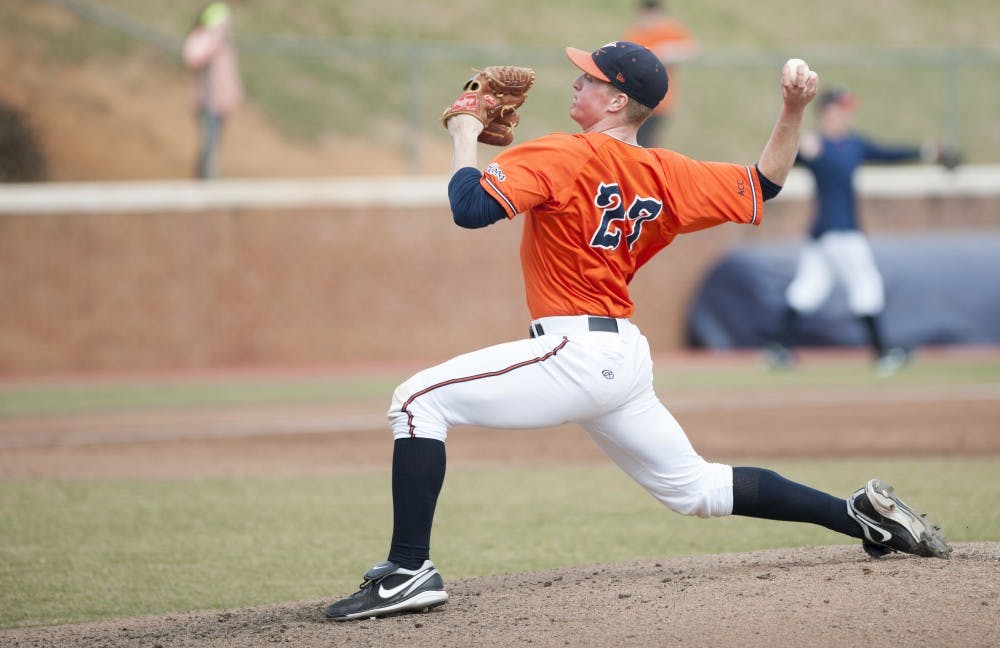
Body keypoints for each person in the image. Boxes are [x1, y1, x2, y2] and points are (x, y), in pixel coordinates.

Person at [323, 43, 950, 622]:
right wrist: (792, 109)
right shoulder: (666, 172)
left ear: (617, 101)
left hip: (574, 349)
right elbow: (766, 183)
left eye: (589, 78)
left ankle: (409, 570)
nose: (576, 80)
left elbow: (470, 209)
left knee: (415, 399)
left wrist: (464, 136)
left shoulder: (565, 151)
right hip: (619, 354)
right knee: (697, 488)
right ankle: (857, 515)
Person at [765, 85, 958, 375]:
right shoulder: (815, 144)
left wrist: (927, 151)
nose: (846, 116)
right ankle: (882, 353)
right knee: (865, 285)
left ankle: (780, 347)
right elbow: (781, 160)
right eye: (841, 110)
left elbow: (887, 153)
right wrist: (795, 141)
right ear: (827, 113)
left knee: (808, 289)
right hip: (839, 232)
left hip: (827, 234)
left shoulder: (853, 144)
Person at [622, 0, 698, 147]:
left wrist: (670, 51)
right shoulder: (635, 34)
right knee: (634, 142)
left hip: (661, 101)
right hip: (636, 100)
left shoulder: (668, 31)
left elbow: (692, 49)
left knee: (648, 143)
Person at [182, 2, 243, 179]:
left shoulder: (225, 43)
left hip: (222, 103)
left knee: (214, 144)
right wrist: (214, 39)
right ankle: (205, 181)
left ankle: (207, 179)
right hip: (206, 102)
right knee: (208, 144)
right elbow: (193, 57)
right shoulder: (202, 39)